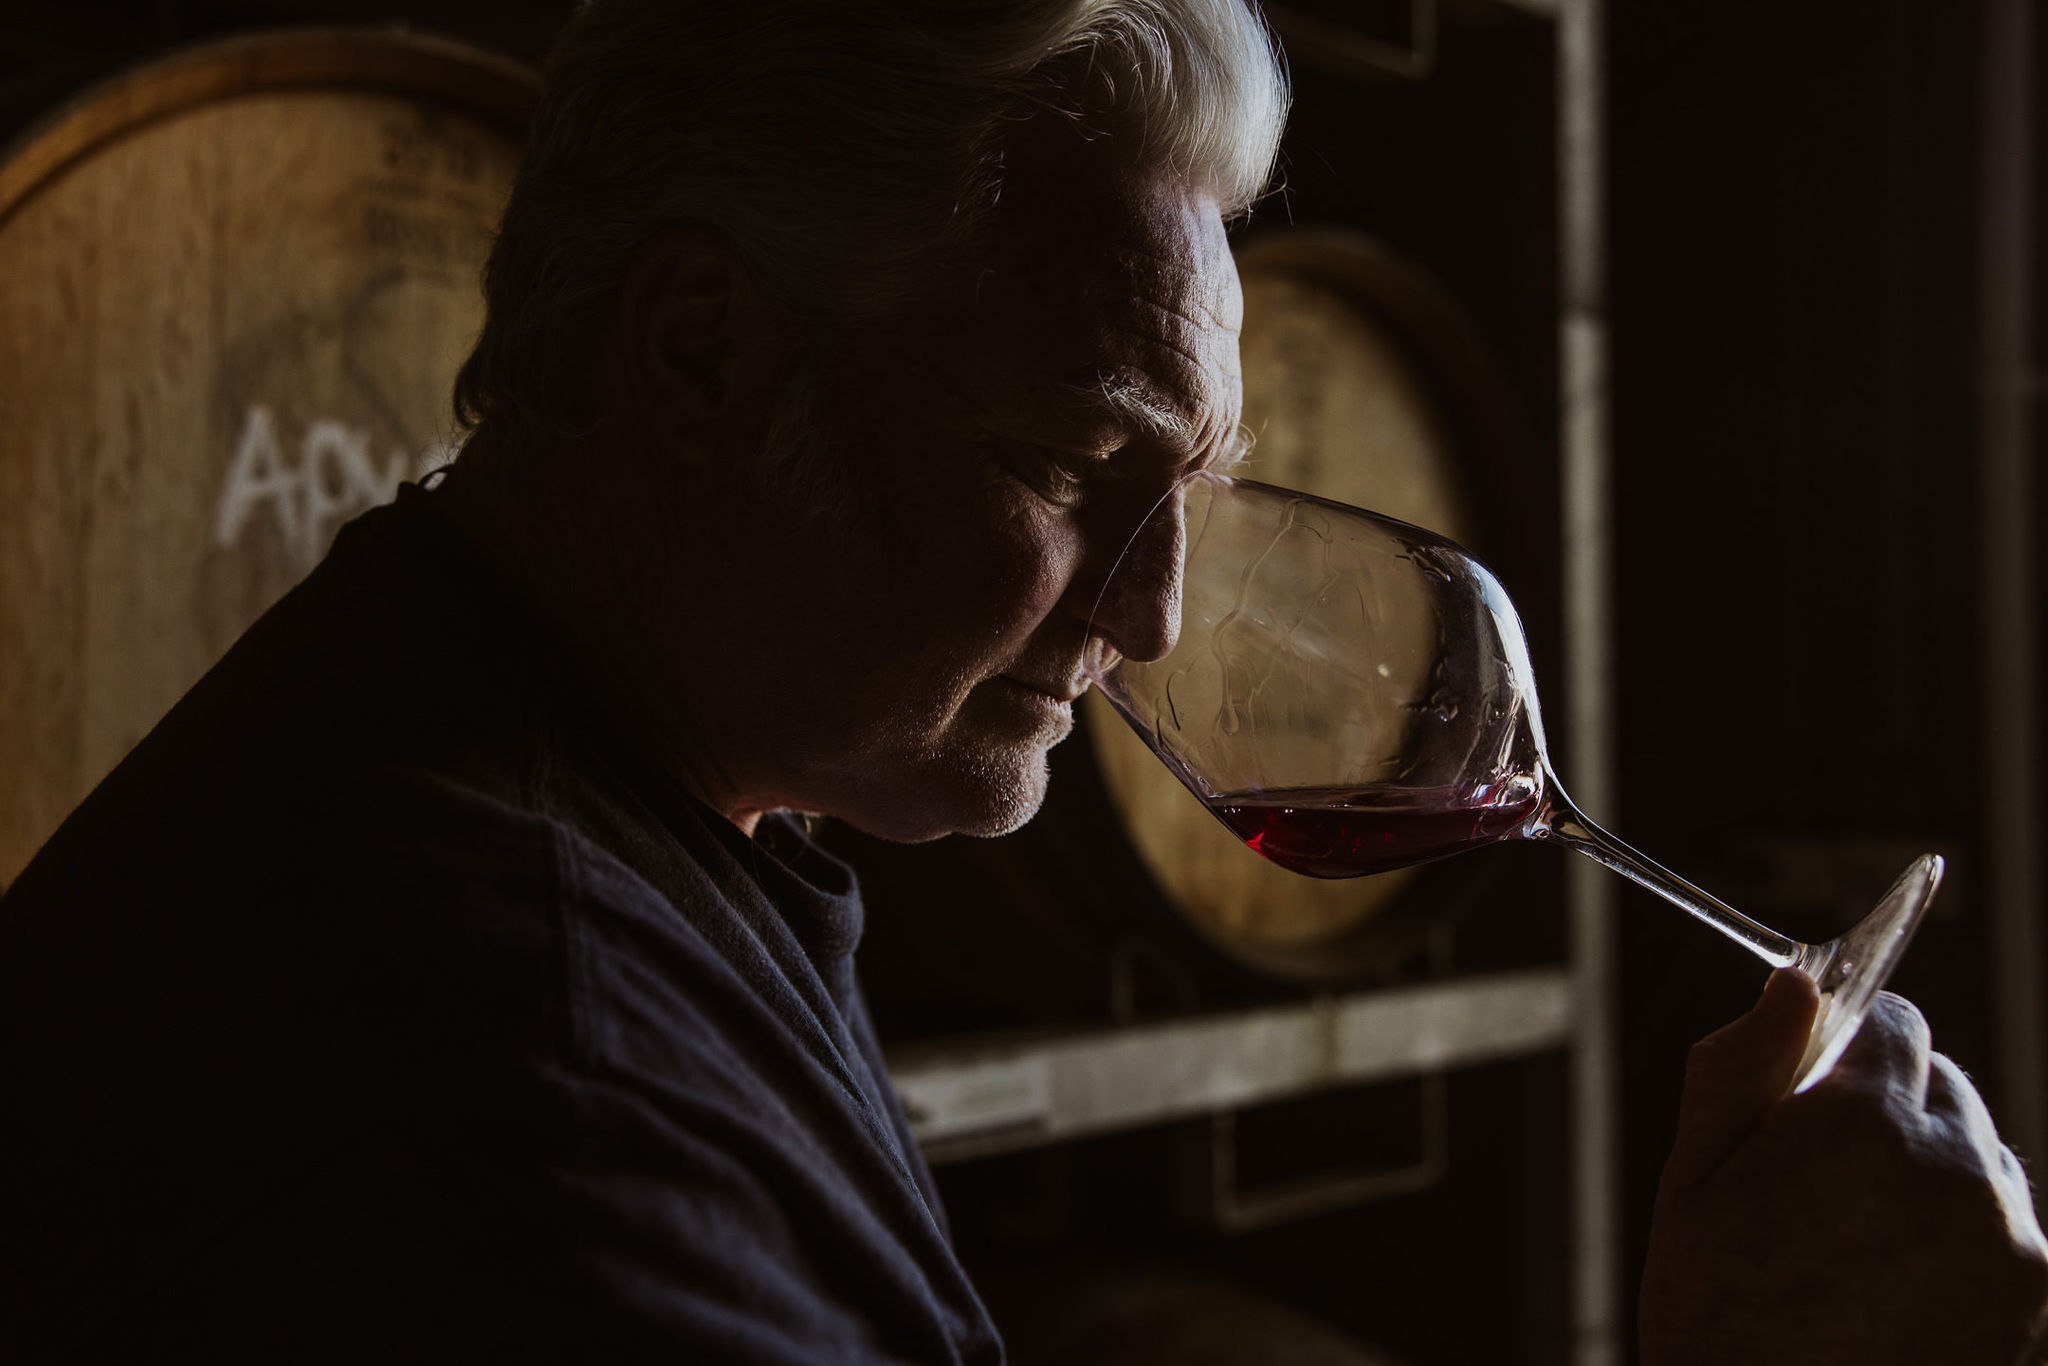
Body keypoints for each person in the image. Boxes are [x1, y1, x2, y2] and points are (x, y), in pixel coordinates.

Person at [0, 1, 2039, 1362]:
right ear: (697, 348)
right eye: (1076, 466)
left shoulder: (602, 762)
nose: (1153, 613)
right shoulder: (525, 1096)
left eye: (1200, 485)